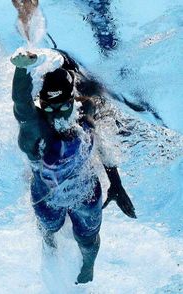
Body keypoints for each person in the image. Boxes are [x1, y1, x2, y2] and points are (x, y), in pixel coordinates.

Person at [10, 49, 136, 284]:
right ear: (40, 104)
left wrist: (116, 183)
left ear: (73, 101)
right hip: (45, 198)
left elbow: (103, 143)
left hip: (86, 196)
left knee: (88, 240)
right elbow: (21, 106)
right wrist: (21, 69)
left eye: (62, 106)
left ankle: (88, 266)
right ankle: (49, 247)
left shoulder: (85, 113)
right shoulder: (35, 132)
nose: (56, 114)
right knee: (48, 230)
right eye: (48, 107)